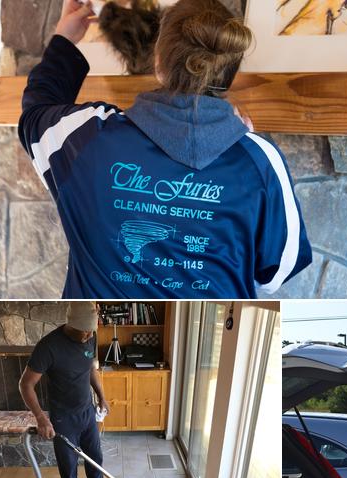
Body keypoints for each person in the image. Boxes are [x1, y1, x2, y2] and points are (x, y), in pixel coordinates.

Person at [18, 0, 312, 299]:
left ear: (158, 62)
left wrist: (65, 39)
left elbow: (35, 115)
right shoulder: (260, 161)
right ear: (227, 73)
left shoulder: (85, 138)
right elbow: (274, 274)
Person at [20, 302, 117, 478]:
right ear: (70, 323)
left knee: (95, 460)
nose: (88, 336)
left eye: (90, 331)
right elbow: (25, 385)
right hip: (63, 418)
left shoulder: (90, 336)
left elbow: (91, 369)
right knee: (69, 466)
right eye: (83, 331)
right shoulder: (48, 347)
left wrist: (101, 396)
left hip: (87, 413)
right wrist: (41, 418)